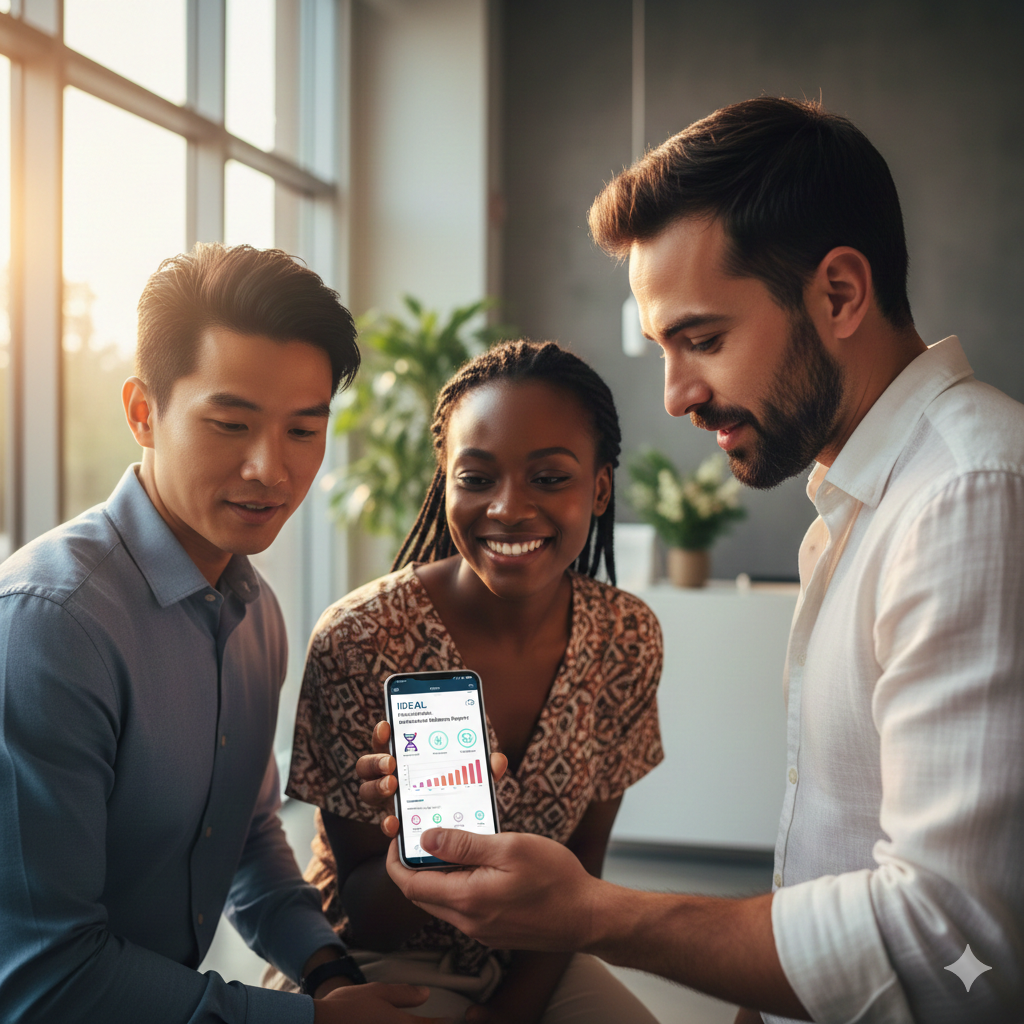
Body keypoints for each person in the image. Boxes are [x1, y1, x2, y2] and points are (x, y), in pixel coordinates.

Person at [373, 98, 1024, 1024]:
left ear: (841, 294)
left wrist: (589, 914)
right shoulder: (868, 499)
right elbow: (838, 856)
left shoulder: (968, 497)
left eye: (703, 340)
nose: (677, 395)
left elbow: (954, 948)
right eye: (663, 348)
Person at [0, 244, 435, 1024]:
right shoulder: (51, 626)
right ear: (142, 413)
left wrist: (328, 972)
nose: (271, 469)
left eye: (303, 430)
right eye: (231, 424)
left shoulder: (253, 613)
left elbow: (243, 835)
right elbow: (46, 978)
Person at [280, 340, 665, 1022]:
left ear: (600, 487)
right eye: (477, 478)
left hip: (537, 952)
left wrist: (511, 1013)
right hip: (371, 967)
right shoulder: (361, 637)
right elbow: (370, 920)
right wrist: (430, 836)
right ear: (445, 481)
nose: (509, 508)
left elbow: (582, 876)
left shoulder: (625, 637)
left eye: (550, 477)